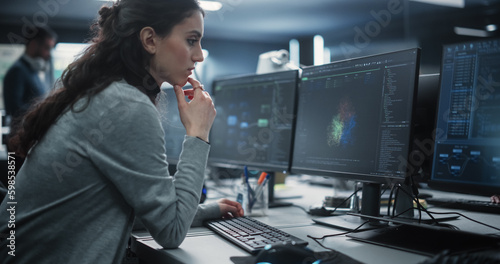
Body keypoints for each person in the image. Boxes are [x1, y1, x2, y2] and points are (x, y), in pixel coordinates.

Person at [0, 0, 243, 263]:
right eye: (191, 40)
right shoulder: (126, 105)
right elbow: (171, 231)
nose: (199, 55)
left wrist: (204, 211)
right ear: (150, 40)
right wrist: (198, 134)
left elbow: (127, 205)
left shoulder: (100, 90)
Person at [3, 26, 56, 120]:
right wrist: (46, 109)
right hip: (23, 133)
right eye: (47, 48)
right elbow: (13, 109)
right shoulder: (17, 71)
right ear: (33, 45)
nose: (49, 54)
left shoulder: (33, 71)